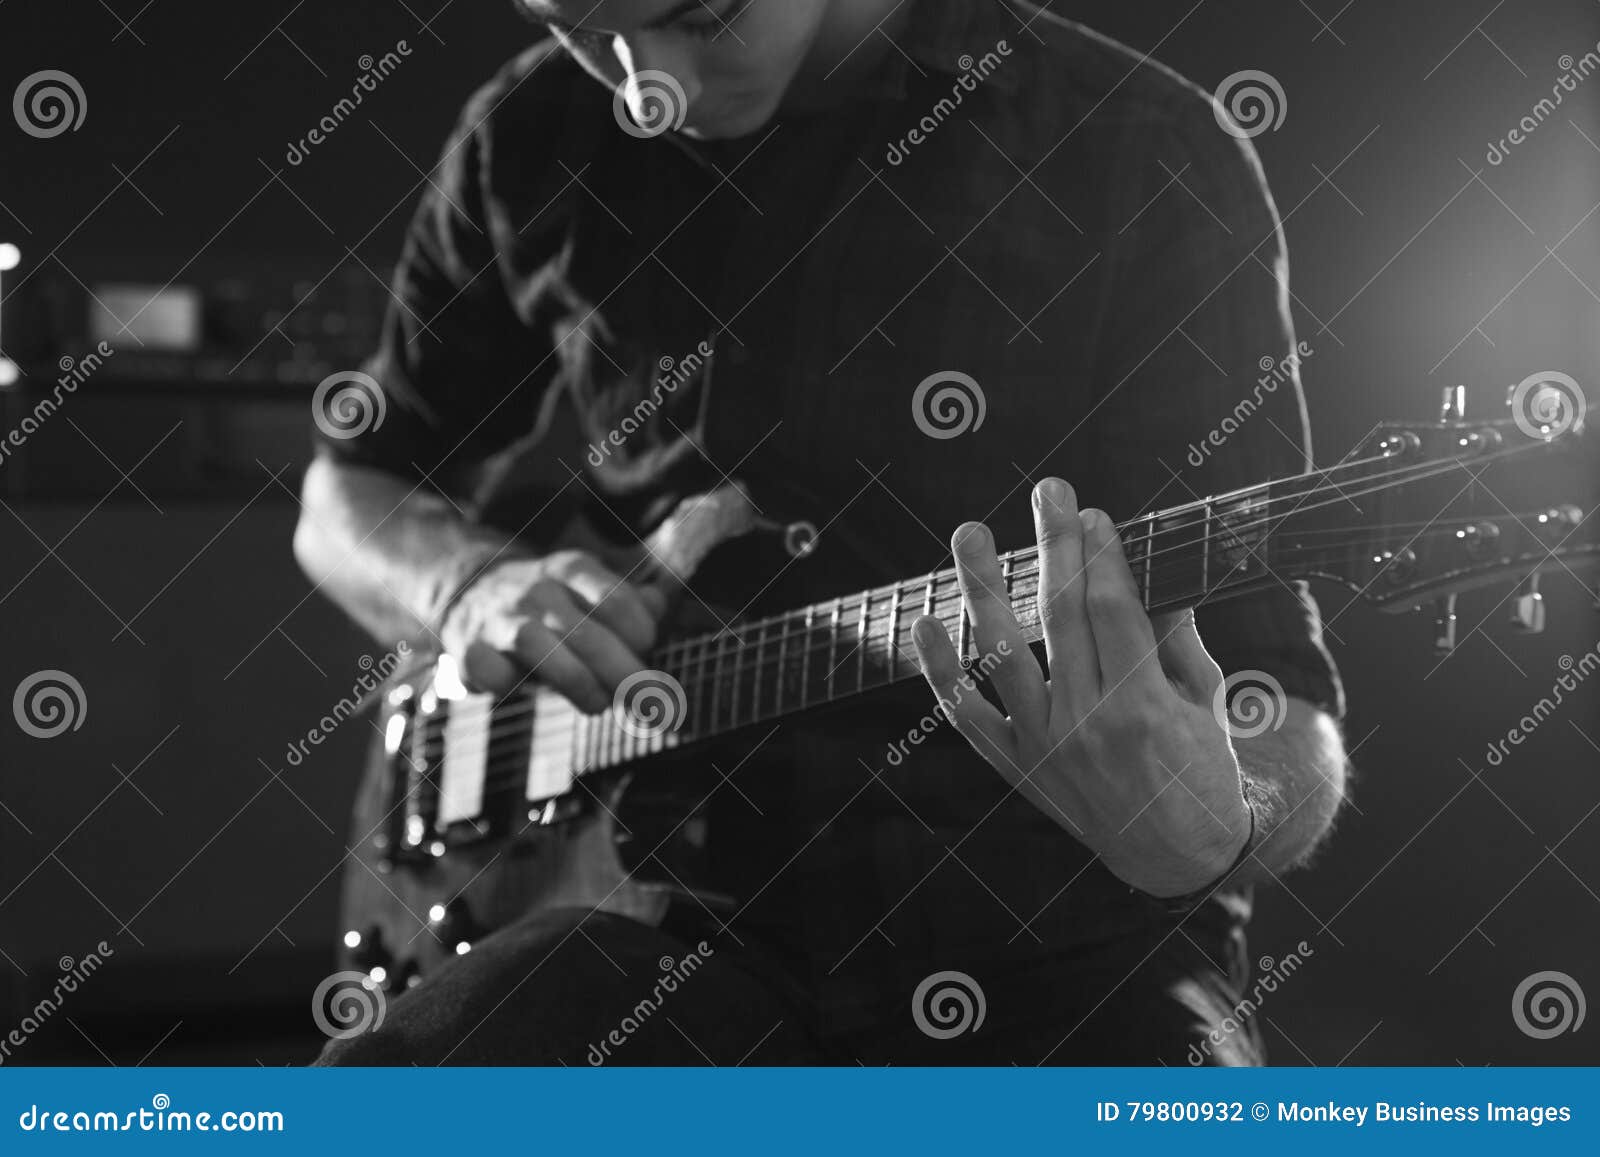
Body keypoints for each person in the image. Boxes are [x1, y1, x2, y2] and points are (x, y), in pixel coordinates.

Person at [297, 0, 1348, 1065]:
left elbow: (1280, 697)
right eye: (583, 27)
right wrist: (463, 584)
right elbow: (347, 495)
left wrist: (1215, 828)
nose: (640, 85)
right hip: (657, 916)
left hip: (1058, 941)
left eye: (697, 16)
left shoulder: (1141, 147)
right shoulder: (529, 129)